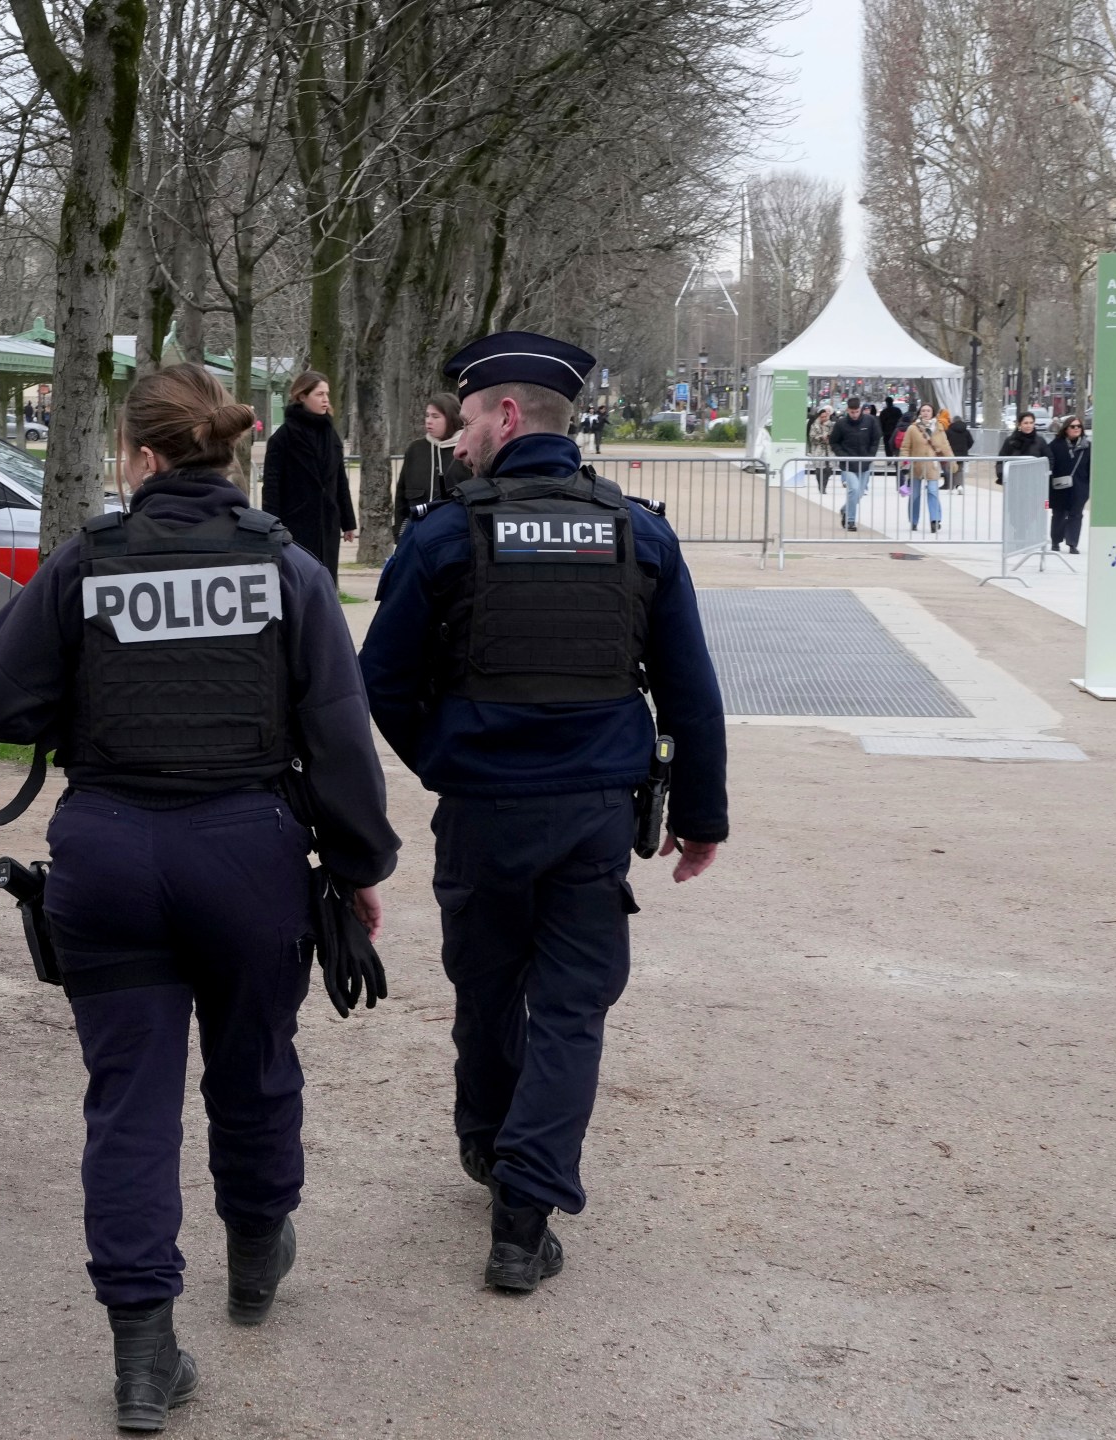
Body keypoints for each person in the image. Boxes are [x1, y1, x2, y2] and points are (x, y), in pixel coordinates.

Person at [0, 362, 399, 1432]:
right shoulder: (285, 566)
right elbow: (340, 732)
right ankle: (255, 1255)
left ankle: (143, 1355)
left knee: (129, 1103)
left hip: (108, 852)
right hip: (245, 855)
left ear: (144, 458)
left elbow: (0, 698)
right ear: (226, 453)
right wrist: (358, 868)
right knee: (254, 1066)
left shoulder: (85, 564)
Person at [359, 331, 728, 1297]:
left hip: (485, 812)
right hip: (594, 813)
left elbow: (382, 683)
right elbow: (690, 691)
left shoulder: (443, 535)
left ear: (508, 416)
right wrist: (702, 817)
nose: (461, 439)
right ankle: (523, 1217)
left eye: (471, 419)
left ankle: (492, 1152)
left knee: (488, 990)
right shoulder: (638, 532)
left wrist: (448, 757)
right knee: (571, 1007)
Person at [260, 372, 357, 578]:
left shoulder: (331, 435)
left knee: (326, 581)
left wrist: (348, 522)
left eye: (327, 394)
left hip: (328, 523)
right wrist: (272, 526)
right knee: (299, 580)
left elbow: (340, 479)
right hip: (295, 524)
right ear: (302, 396)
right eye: (319, 394)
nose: (325, 400)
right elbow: (271, 486)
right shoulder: (282, 438)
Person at [395, 392, 472, 537]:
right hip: (417, 535)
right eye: (427, 415)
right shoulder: (415, 450)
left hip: (456, 535)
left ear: (451, 418)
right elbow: (401, 497)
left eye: (435, 416)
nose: (429, 421)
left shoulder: (468, 449)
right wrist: (400, 533)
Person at [830, 401, 882, 530]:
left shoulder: (870, 421)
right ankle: (850, 520)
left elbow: (876, 439)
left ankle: (845, 509)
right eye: (852, 412)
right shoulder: (841, 423)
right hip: (848, 463)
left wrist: (870, 455)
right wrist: (842, 455)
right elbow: (834, 442)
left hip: (865, 462)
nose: (854, 415)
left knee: (859, 493)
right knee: (853, 488)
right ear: (848, 410)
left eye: (856, 411)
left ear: (860, 409)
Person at [899, 409, 952, 531]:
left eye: (928, 411)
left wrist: (952, 460)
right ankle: (913, 520)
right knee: (915, 495)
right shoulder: (912, 429)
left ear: (932, 413)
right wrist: (904, 460)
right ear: (919, 413)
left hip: (932, 466)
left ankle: (935, 519)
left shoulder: (938, 428)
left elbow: (945, 445)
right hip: (916, 465)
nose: (925, 413)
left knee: (933, 492)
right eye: (923, 411)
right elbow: (905, 447)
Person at [1047, 415, 1091, 553]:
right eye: (1073, 426)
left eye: (1079, 426)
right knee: (1059, 514)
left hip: (1080, 486)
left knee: (1076, 514)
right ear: (1066, 429)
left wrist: (1087, 484)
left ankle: (1072, 543)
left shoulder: (1087, 447)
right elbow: (1050, 464)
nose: (1076, 428)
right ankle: (1056, 541)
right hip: (1060, 486)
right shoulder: (1055, 445)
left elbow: (1091, 466)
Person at [807, 405, 835, 494]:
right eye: (822, 417)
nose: (824, 418)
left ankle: (824, 485)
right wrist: (821, 437)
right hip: (818, 450)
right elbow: (811, 437)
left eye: (825, 417)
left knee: (828, 469)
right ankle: (821, 486)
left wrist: (830, 438)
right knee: (819, 470)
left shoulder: (831, 425)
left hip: (829, 451)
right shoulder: (814, 425)